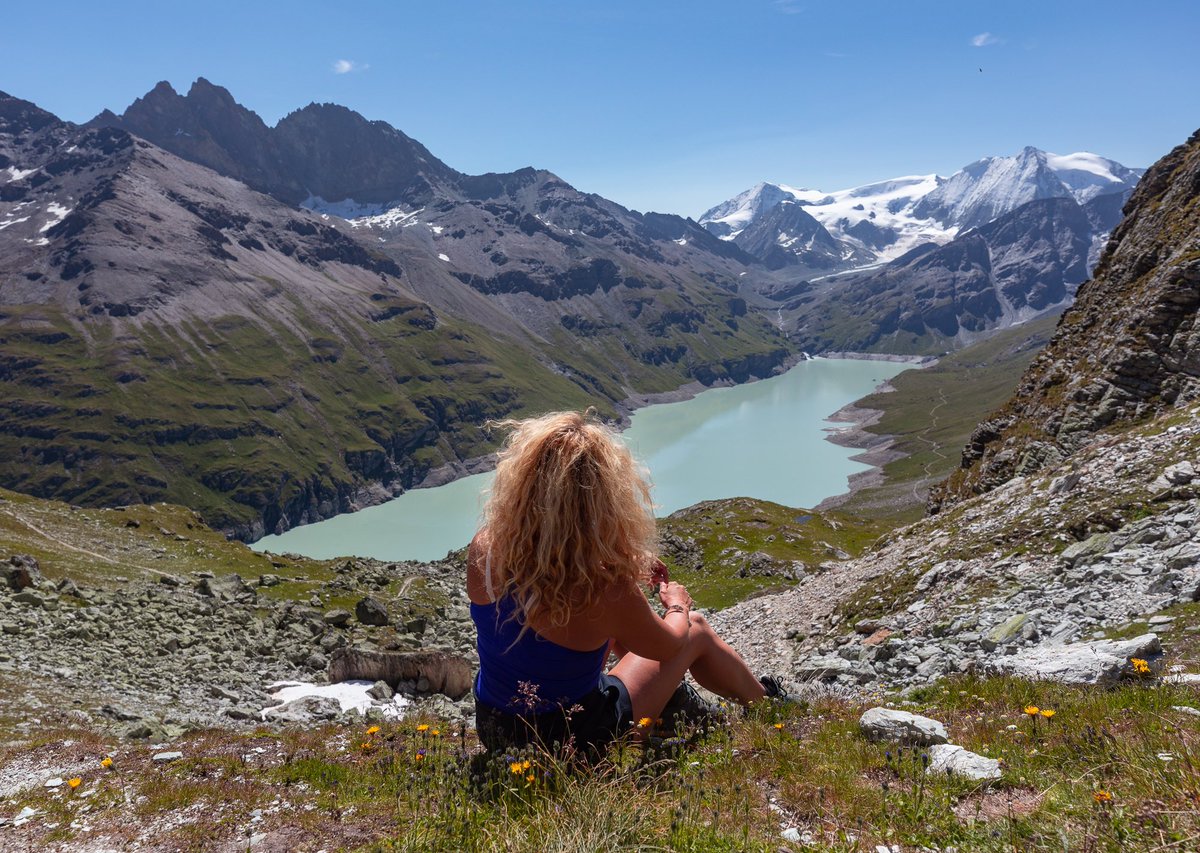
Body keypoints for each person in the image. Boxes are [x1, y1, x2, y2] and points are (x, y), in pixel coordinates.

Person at [468, 410, 777, 759]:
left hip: (496, 729)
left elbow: (553, 599)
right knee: (696, 630)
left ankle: (673, 701)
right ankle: (771, 706)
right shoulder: (605, 589)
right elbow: (670, 645)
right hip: (575, 744)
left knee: (615, 633)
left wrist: (622, 572)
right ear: (602, 498)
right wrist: (677, 604)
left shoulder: (486, 549)